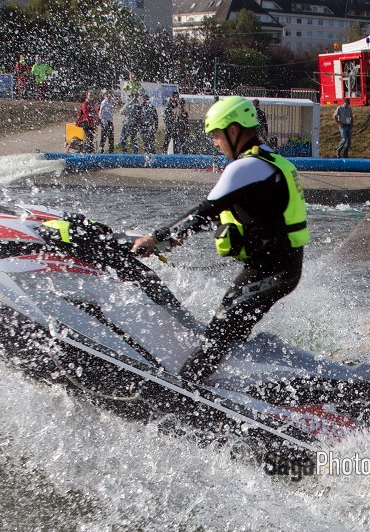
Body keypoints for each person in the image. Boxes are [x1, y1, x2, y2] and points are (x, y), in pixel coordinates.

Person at [129, 97, 309, 383]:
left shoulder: (245, 167)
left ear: (233, 131)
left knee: (219, 333)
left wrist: (156, 239)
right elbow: (222, 213)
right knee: (228, 331)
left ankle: (188, 389)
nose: (215, 142)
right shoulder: (270, 161)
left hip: (272, 271)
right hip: (278, 267)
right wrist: (169, 241)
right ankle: (239, 383)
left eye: (216, 134)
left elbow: (203, 212)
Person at [97, 88, 116, 153]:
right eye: (109, 95)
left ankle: (111, 151)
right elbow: (101, 112)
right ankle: (101, 150)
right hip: (105, 121)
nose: (110, 96)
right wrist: (101, 120)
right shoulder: (104, 102)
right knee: (103, 136)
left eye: (111, 95)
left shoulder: (111, 102)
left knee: (111, 137)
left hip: (110, 121)